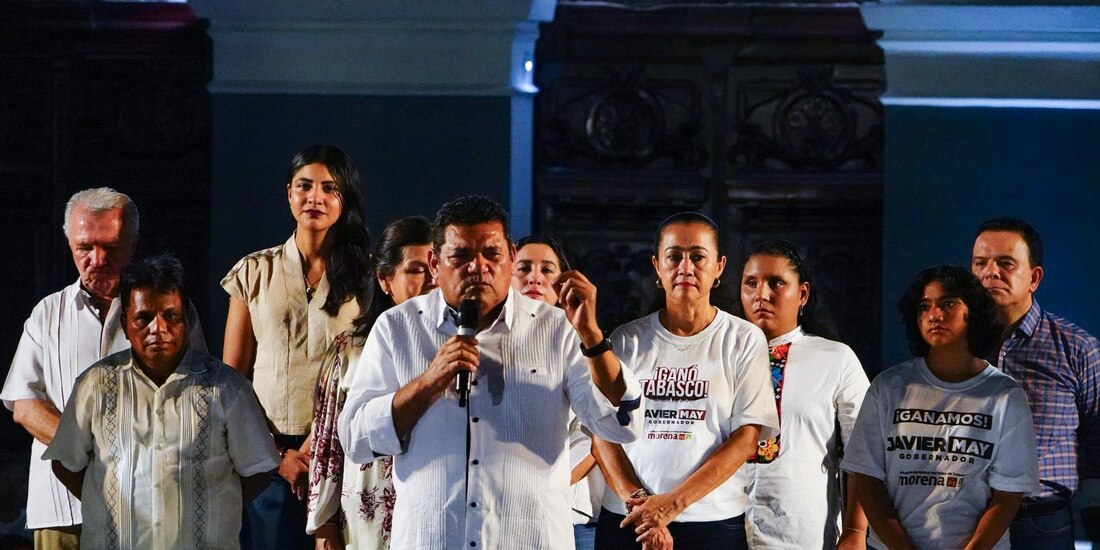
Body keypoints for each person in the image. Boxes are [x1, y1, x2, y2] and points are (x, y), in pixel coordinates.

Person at [337, 195, 643, 548]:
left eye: (491, 254)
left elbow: (621, 424)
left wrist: (591, 335)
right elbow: (356, 440)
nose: (478, 267)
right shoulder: (397, 328)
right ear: (435, 264)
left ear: (511, 258)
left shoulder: (557, 329)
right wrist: (427, 383)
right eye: (462, 255)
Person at [2, 187, 205, 550]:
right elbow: (24, 404)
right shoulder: (47, 314)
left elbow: (197, 392)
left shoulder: (172, 311)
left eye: (110, 247)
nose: (97, 259)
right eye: (85, 247)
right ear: (68, 242)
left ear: (134, 242)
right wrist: (90, 452)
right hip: (62, 508)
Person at [43, 254, 280, 549]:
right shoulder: (96, 385)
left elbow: (258, 470)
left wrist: (209, 507)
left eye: (170, 316)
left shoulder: (227, 387)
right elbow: (66, 464)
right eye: (143, 318)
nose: (158, 328)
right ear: (125, 325)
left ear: (188, 320)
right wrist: (109, 503)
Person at [592, 212, 779, 550]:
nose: (685, 267)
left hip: (712, 523)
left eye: (698, 257)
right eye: (674, 256)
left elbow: (746, 438)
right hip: (629, 521)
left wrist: (673, 504)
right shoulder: (626, 340)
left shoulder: (743, 339)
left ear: (719, 267)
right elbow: (602, 432)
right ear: (657, 266)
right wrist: (641, 505)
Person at [222, 145, 373, 549]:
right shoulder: (253, 271)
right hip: (267, 457)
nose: (315, 198)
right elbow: (232, 378)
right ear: (289, 193)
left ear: (345, 198)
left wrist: (318, 447)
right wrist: (278, 456)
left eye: (329, 188)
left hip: (344, 450)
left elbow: (372, 375)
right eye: (305, 186)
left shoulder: (367, 278)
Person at [843, 265, 1039, 550]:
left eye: (948, 303)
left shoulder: (1004, 395)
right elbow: (867, 479)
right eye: (925, 306)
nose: (934, 315)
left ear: (973, 312)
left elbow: (1008, 495)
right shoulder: (889, 386)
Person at [971, 217, 1100, 549]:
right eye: (980, 263)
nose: (990, 273)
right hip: (965, 515)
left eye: (1005, 263)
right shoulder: (955, 346)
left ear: (1034, 277)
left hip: (1041, 520)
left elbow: (1096, 438)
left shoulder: (1076, 348)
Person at [307, 216, 435, 549]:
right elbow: (328, 444)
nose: (431, 280)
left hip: (432, 509)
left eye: (437, 267)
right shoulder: (350, 348)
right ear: (384, 279)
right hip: (368, 508)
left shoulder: (454, 346)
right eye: (417, 269)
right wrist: (323, 526)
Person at [734, 241, 870, 549]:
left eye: (776, 283)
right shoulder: (721, 355)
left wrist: (855, 532)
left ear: (803, 294)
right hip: (722, 529)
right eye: (751, 283)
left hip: (802, 533)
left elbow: (865, 453)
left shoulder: (835, 358)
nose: (761, 295)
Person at [511, 235, 605, 550]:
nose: (534, 277)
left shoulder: (584, 344)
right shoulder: (485, 342)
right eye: (523, 268)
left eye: (547, 270)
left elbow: (592, 439)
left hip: (568, 515)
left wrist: (532, 489)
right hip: (501, 516)